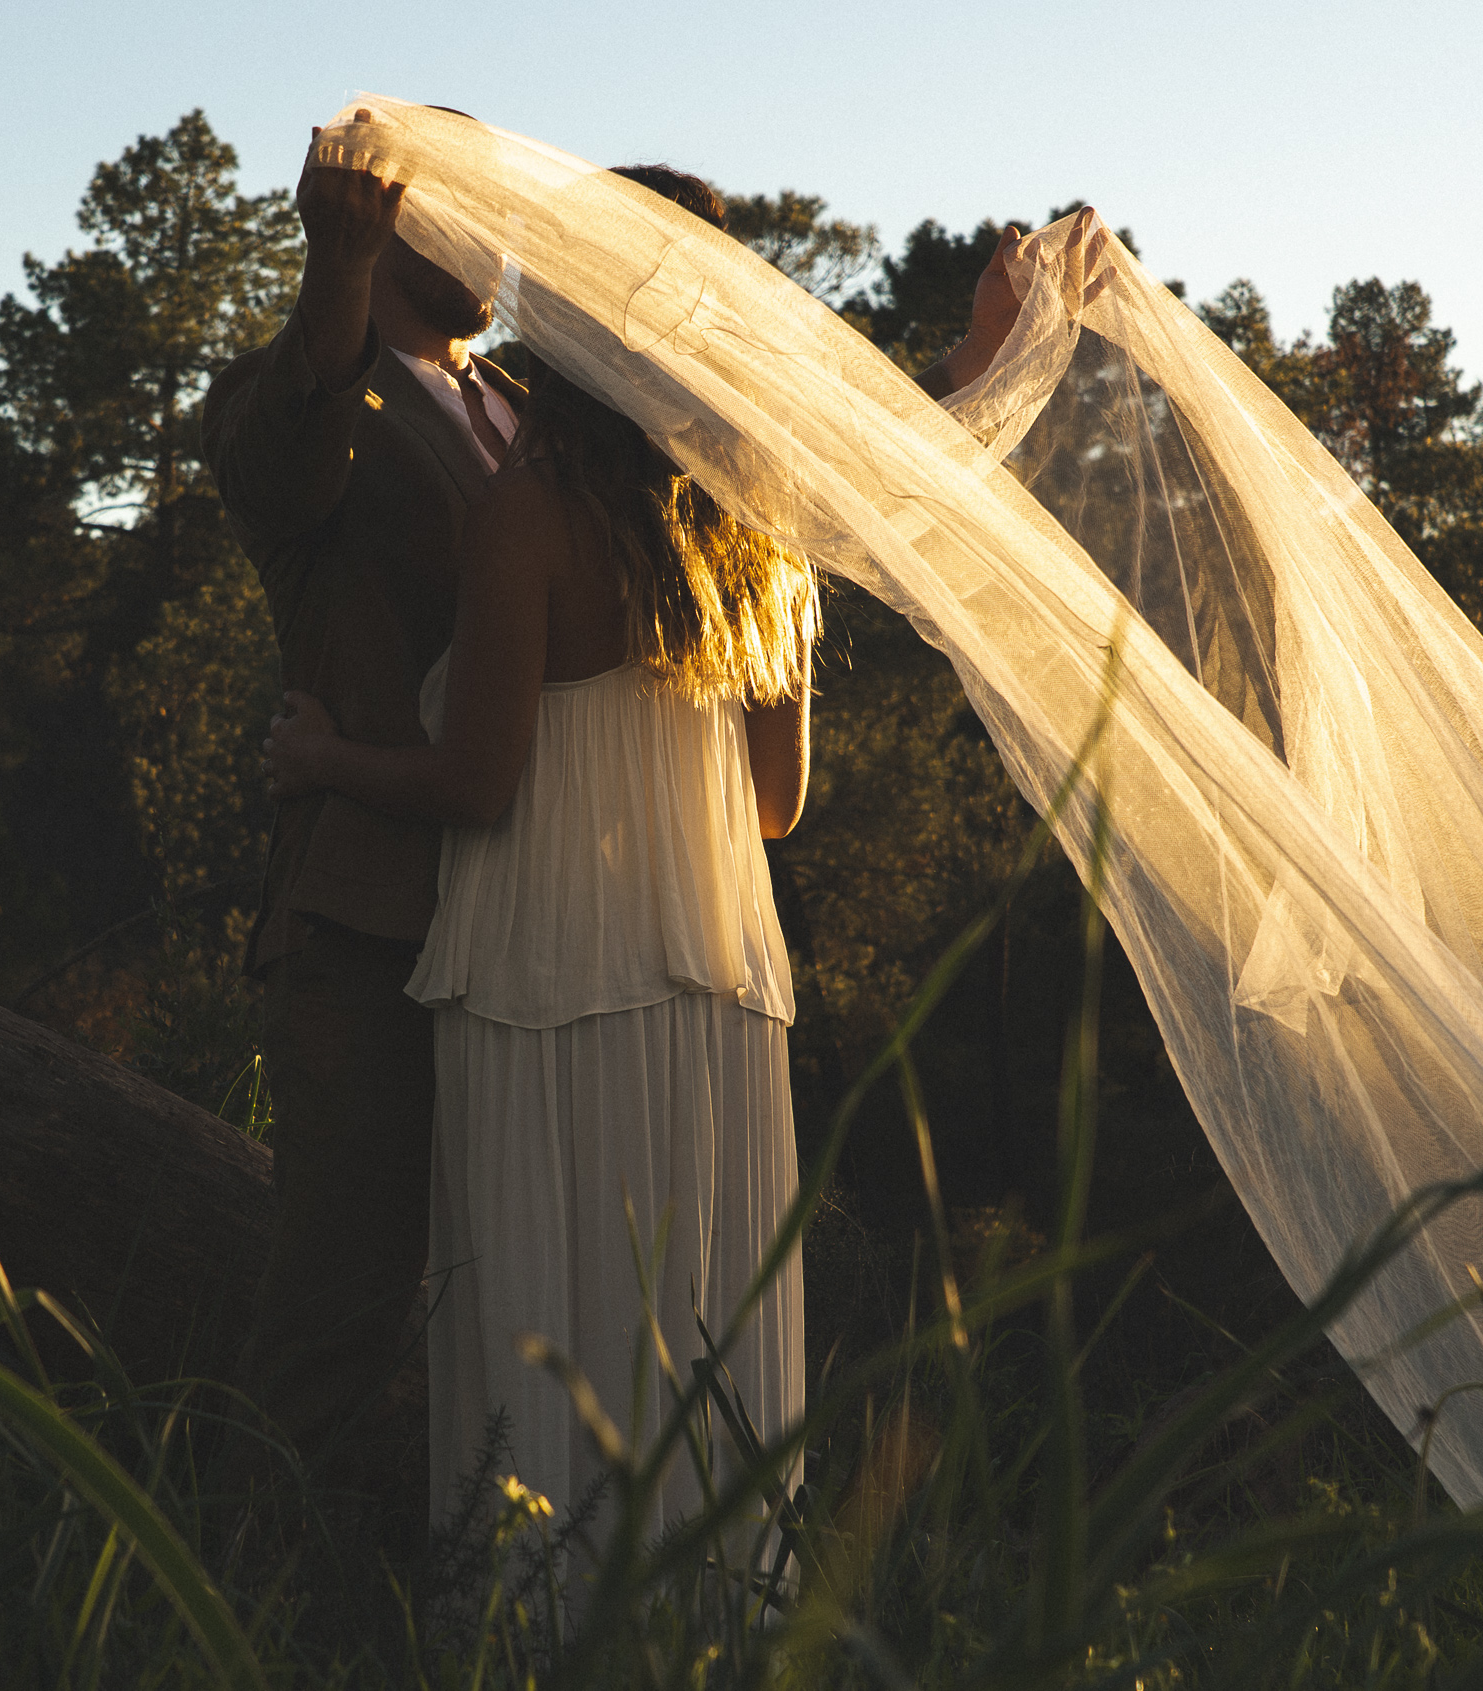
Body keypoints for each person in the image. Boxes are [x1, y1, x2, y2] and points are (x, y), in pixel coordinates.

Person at [259, 164, 1037, 1543]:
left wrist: (325, 763)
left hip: (540, 973)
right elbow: (777, 802)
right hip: (712, 983)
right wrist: (978, 362)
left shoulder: (528, 510)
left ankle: (541, 1613)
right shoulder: (757, 520)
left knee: (545, 1315)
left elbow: (478, 780)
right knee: (696, 1321)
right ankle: (709, 1613)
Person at [199, 108, 524, 1523]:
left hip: (532, 909)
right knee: (338, 1297)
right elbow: (286, 457)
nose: (501, 245)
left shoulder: (522, 409)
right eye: (467, 214)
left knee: (519, 1287)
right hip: (369, 917)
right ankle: (235, 1592)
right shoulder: (291, 397)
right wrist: (332, 270)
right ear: (390, 226)